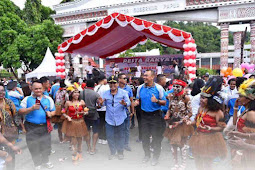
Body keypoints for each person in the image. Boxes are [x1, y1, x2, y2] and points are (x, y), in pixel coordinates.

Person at [189, 77, 227, 170]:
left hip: (211, 139)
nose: (201, 100)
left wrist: (210, 129)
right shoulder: (200, 108)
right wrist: (189, 122)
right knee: (197, 160)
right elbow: (197, 122)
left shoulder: (218, 112)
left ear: (210, 100)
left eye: (204, 98)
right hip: (198, 137)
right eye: (201, 97)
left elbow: (222, 127)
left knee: (207, 163)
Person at [19, 80, 55, 170]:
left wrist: (51, 114)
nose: (38, 90)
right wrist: (31, 108)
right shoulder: (27, 99)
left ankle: (46, 161)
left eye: (40, 88)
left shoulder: (48, 99)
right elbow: (20, 111)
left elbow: (53, 110)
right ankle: (37, 164)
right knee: (33, 146)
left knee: (46, 145)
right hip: (31, 127)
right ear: (31, 88)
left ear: (43, 88)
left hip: (44, 126)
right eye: (36, 89)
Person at [135, 70, 166, 166]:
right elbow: (137, 99)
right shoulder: (140, 88)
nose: (144, 77)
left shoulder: (159, 88)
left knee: (156, 138)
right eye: (144, 75)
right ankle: (147, 155)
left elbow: (164, 102)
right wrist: (135, 103)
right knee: (145, 138)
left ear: (152, 77)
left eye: (146, 76)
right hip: (144, 116)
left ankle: (156, 157)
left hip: (155, 116)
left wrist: (157, 101)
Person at [164, 79, 193, 170]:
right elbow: (169, 109)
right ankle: (176, 164)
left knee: (182, 146)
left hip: (182, 125)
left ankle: (183, 165)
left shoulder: (186, 98)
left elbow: (190, 113)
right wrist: (167, 115)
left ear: (182, 87)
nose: (175, 88)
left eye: (178, 86)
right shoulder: (171, 96)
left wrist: (181, 121)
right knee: (173, 145)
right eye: (174, 86)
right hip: (172, 123)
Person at [99, 76, 131, 160]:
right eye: (111, 83)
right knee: (110, 137)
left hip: (120, 118)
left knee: (121, 136)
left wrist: (125, 104)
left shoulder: (123, 93)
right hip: (109, 119)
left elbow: (129, 102)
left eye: (114, 83)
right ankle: (113, 152)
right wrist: (100, 103)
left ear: (118, 83)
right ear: (109, 84)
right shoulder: (105, 93)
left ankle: (120, 152)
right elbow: (101, 105)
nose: (113, 85)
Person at [231, 78, 255, 170]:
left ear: (249, 99)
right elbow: (234, 123)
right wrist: (235, 108)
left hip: (249, 151)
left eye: (241, 96)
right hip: (242, 147)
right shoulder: (245, 110)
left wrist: (242, 149)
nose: (238, 98)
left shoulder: (251, 114)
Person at [61, 83, 88, 165]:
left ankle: (79, 154)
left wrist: (84, 112)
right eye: (74, 92)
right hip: (72, 123)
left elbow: (86, 111)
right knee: (73, 141)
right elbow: (63, 112)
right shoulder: (68, 103)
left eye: (77, 92)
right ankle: (74, 156)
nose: (76, 94)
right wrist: (67, 117)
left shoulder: (82, 102)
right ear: (71, 94)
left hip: (80, 122)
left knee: (80, 140)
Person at [0, 83, 21, 170]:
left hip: (8, 135)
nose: (1, 93)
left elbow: (15, 117)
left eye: (2, 90)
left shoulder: (9, 103)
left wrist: (15, 130)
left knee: (10, 159)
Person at [80, 79, 101, 155]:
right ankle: (93, 148)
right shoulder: (95, 94)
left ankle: (88, 147)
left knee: (87, 131)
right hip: (94, 114)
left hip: (85, 114)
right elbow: (99, 104)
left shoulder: (81, 93)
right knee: (95, 131)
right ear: (94, 85)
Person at [118, 73, 134, 151]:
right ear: (119, 79)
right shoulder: (115, 88)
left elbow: (131, 101)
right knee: (118, 128)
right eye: (124, 78)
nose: (125, 80)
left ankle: (126, 144)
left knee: (126, 129)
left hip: (126, 112)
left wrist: (132, 112)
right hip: (118, 112)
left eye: (126, 78)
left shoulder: (128, 89)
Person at [94, 75, 109, 145]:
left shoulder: (95, 88)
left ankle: (100, 138)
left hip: (98, 108)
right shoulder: (106, 87)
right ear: (103, 80)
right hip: (105, 108)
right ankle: (105, 138)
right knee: (106, 123)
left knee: (100, 124)